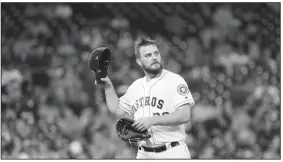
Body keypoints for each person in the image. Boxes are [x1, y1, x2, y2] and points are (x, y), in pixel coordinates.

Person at [96, 37, 195, 159]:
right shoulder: (135, 86)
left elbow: (185, 115)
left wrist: (152, 120)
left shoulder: (174, 80)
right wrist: (108, 87)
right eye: (148, 55)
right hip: (144, 153)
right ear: (139, 61)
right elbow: (117, 110)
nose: (154, 57)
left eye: (156, 53)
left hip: (172, 151)